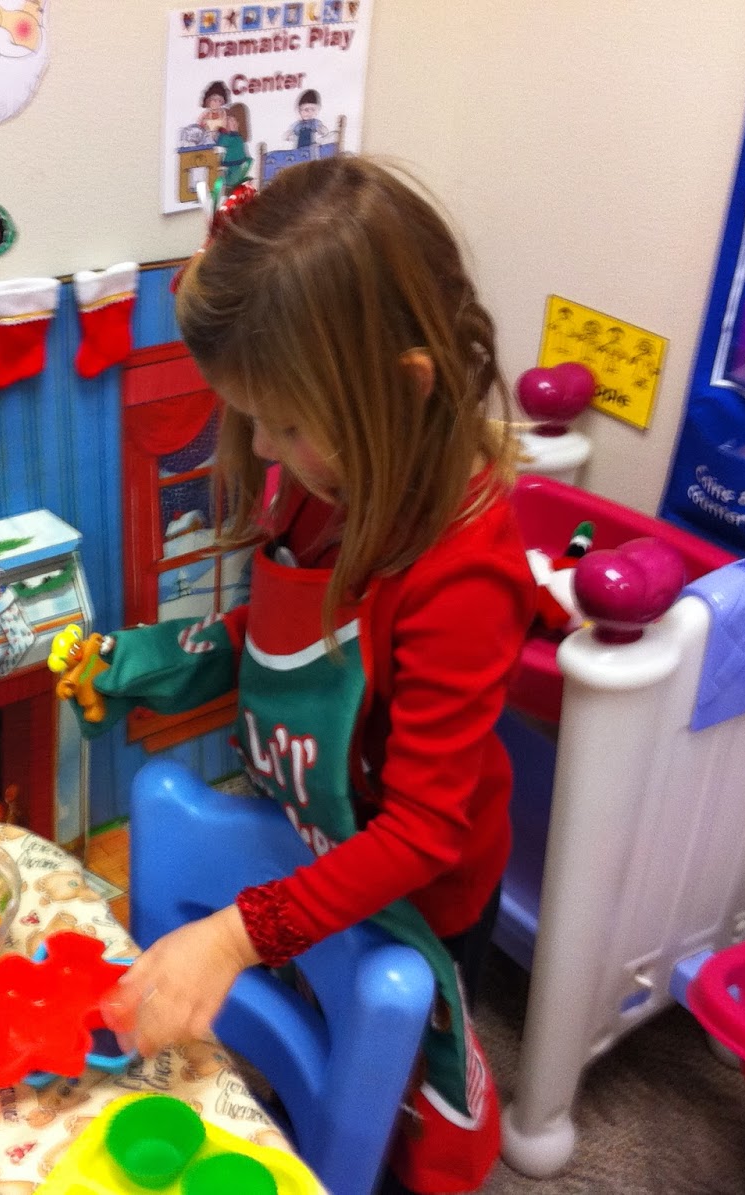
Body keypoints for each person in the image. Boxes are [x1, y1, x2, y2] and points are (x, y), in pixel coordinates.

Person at [71, 156, 533, 1193]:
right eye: (254, 419)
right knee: (301, 1057)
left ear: (404, 388)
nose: (268, 451)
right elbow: (284, 630)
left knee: (395, 1117)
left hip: (419, 896)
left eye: (285, 423)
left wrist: (237, 934)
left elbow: (421, 832)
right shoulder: (331, 476)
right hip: (311, 847)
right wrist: (151, 661)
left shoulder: (465, 580)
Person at [215, 102, 253, 195]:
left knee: (235, 183)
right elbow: (220, 146)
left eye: (233, 120)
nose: (229, 123)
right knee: (229, 183)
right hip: (228, 165)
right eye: (228, 120)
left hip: (238, 165)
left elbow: (242, 151)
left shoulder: (238, 138)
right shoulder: (225, 136)